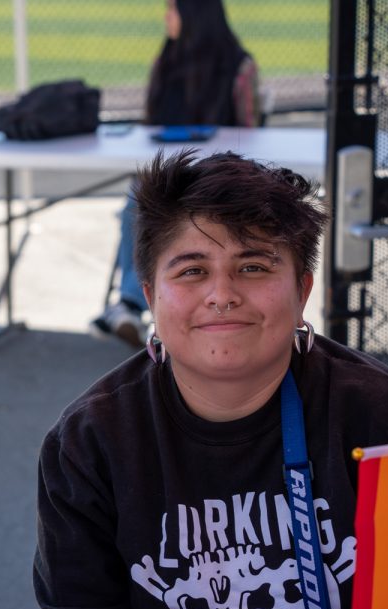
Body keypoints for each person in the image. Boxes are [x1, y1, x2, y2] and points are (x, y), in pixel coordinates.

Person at [36, 150, 388, 609]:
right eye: (191, 270)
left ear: (302, 291)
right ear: (150, 296)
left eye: (253, 266)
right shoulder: (89, 443)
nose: (222, 294)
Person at [92, 0, 260, 348]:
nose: (166, 18)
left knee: (148, 205)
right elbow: (151, 118)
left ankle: (138, 306)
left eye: (172, 10)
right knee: (138, 200)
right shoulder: (165, 61)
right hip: (166, 168)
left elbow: (250, 129)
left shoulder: (239, 66)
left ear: (192, 15)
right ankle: (132, 304)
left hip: (222, 172)